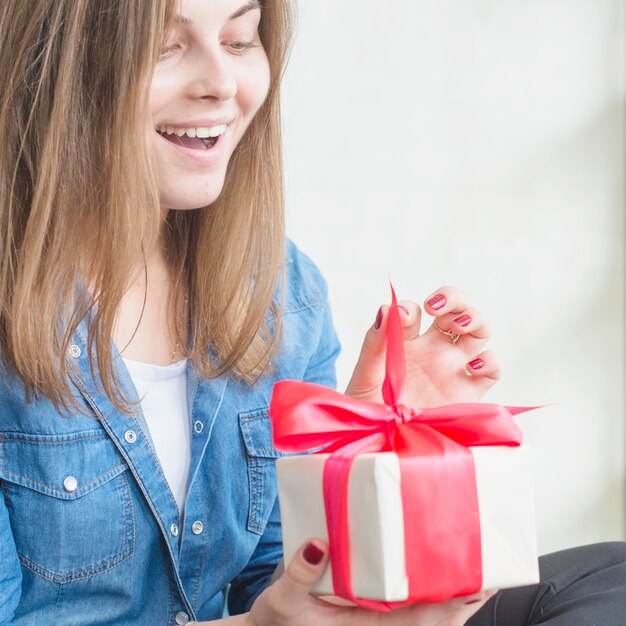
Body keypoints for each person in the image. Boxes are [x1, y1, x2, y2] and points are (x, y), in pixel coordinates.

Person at [0, 1, 623, 625]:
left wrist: (374, 459)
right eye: (166, 46)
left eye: (240, 40)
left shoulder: (277, 288)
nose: (221, 84)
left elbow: (283, 579)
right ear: (55, 64)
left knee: (610, 577)